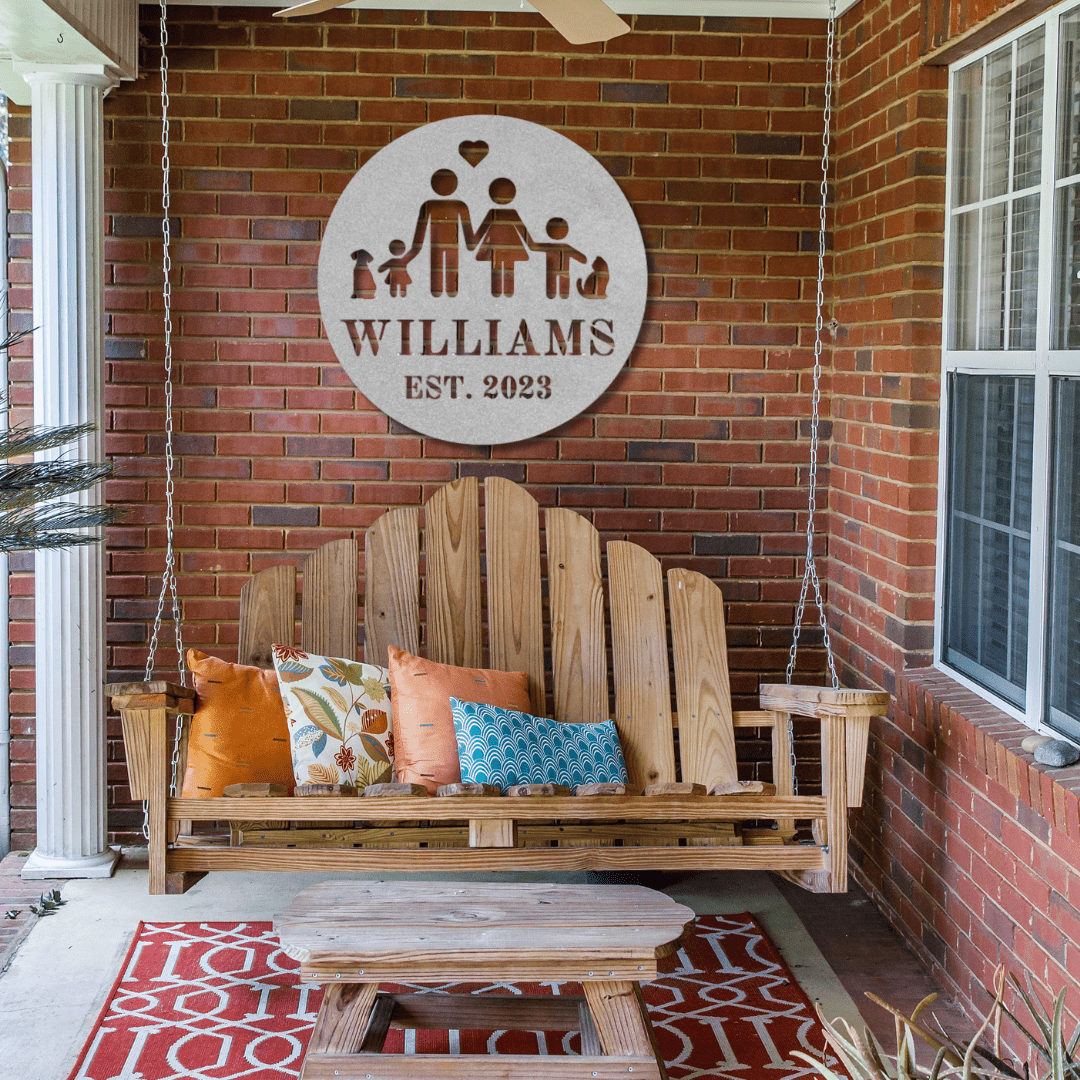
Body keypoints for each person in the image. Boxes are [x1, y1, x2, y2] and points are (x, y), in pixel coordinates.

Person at [404, 169, 476, 297]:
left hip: (438, 247)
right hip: (449, 247)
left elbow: (420, 232)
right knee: (448, 272)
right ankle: (448, 293)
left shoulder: (429, 206)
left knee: (439, 271)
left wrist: (414, 250)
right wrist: (471, 243)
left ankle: (441, 293)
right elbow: (468, 232)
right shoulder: (459, 206)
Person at [473, 178, 537, 298]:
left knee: (505, 268)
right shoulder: (495, 213)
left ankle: (505, 292)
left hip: (504, 245)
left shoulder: (505, 213)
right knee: (499, 268)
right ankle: (499, 293)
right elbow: (483, 228)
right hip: (504, 245)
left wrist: (473, 243)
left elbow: (522, 230)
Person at [534, 217, 587, 299]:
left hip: (553, 272)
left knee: (554, 291)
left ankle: (556, 294)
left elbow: (534, 246)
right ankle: (561, 294)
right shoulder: (566, 248)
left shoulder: (550, 247)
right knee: (562, 291)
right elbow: (583, 259)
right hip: (563, 272)